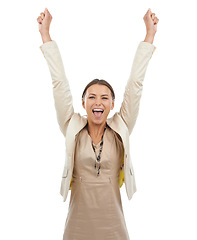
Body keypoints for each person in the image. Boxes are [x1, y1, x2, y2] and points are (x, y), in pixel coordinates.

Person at [37, 8, 159, 240]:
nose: (98, 102)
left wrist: (149, 36)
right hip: (78, 224)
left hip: (113, 225)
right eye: (91, 96)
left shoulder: (121, 126)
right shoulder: (72, 126)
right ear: (83, 103)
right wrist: (46, 35)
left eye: (104, 97)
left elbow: (135, 84)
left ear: (112, 104)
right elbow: (59, 83)